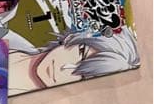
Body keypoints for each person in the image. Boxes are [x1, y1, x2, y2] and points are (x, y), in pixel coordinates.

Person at [8, 26, 140, 95]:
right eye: (81, 53)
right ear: (73, 37)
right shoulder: (5, 36)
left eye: (83, 77)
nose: (65, 67)